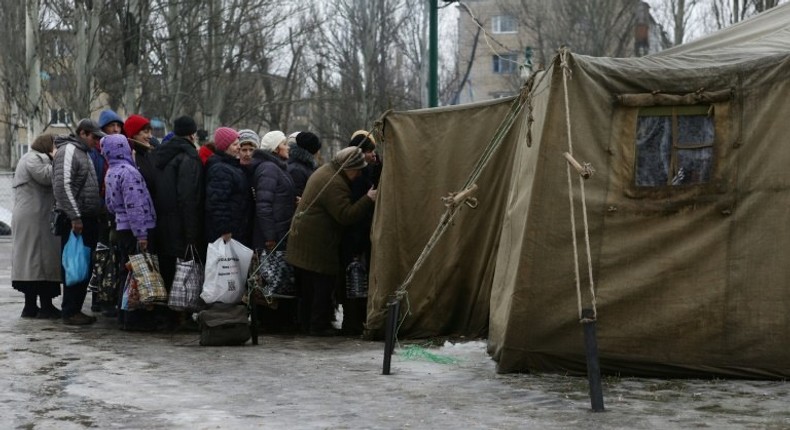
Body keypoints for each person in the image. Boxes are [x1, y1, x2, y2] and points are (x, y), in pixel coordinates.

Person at [286, 147, 377, 336]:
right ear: (349, 168)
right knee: (323, 284)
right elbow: (345, 215)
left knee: (311, 287)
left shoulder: (327, 170)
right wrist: (368, 199)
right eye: (358, 170)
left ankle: (308, 324)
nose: (359, 174)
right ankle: (318, 326)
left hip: (305, 240)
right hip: (316, 243)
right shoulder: (335, 183)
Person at [102, 134, 157, 330]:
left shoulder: (111, 171)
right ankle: (135, 317)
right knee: (138, 274)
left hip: (120, 227)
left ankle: (124, 314)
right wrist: (141, 234)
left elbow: (109, 204)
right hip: (134, 229)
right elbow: (135, 205)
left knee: (126, 273)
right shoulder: (129, 172)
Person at [53, 118, 105, 325]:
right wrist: (75, 216)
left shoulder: (84, 152)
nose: (96, 141)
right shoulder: (69, 151)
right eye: (94, 137)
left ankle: (74, 308)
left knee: (83, 264)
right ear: (82, 133)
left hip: (86, 218)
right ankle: (70, 310)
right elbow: (63, 186)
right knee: (75, 264)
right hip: (76, 220)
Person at [251, 131, 298, 332]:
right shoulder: (269, 169)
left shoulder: (276, 167)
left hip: (279, 232)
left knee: (278, 279)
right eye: (285, 144)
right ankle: (270, 323)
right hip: (273, 235)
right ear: (276, 148)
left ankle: (276, 322)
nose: (288, 147)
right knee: (271, 280)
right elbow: (263, 205)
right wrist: (270, 235)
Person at [11, 134, 62, 319]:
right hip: (36, 218)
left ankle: (32, 306)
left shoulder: (29, 158)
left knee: (33, 263)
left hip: (34, 217)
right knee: (37, 262)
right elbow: (47, 177)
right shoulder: (34, 158)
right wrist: (58, 159)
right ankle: (43, 306)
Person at [152, 116, 204, 295]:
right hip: (181, 224)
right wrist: (192, 233)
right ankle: (176, 315)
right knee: (180, 273)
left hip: (162, 222)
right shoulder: (188, 157)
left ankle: (164, 315)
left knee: (166, 269)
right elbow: (188, 197)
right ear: (192, 135)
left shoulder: (160, 154)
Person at [340, 130, 382, 335]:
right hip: (356, 236)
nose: (372, 155)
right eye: (369, 151)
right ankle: (353, 322)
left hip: (359, 235)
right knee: (355, 281)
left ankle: (355, 321)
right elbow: (355, 211)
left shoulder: (365, 171)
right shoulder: (358, 176)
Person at [204, 127, 252, 247]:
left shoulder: (230, 165)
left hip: (236, 229)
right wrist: (224, 229)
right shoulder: (220, 169)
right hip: (228, 233)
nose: (239, 147)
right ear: (225, 146)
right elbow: (217, 202)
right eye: (235, 144)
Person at [124, 114, 158, 198]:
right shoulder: (128, 157)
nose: (150, 136)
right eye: (146, 132)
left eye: (150, 132)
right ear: (133, 134)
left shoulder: (151, 153)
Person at [287, 131, 321, 197]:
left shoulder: (305, 166)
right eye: (317, 150)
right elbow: (297, 197)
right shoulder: (297, 170)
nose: (319, 153)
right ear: (312, 150)